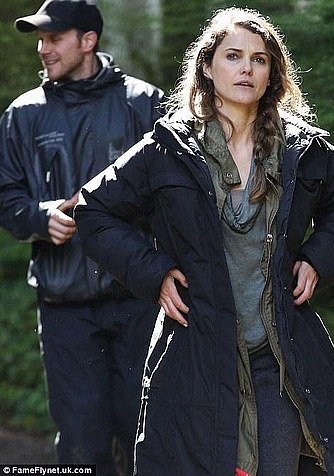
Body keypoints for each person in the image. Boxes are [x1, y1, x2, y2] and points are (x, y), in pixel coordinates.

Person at [76, 7, 334, 476]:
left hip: (278, 358)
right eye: (233, 56)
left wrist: (318, 258)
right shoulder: (168, 148)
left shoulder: (302, 149)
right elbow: (94, 210)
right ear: (208, 67)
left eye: (259, 59)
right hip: (195, 358)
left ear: (272, 74)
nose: (246, 68)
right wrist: (153, 274)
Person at [0, 1, 165, 474]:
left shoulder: (145, 104)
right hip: (64, 307)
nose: (42, 49)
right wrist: (39, 218)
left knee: (145, 437)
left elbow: (177, 196)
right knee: (81, 446)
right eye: (40, 40)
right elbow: (6, 195)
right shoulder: (22, 115)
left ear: (88, 41)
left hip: (140, 301)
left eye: (53, 38)